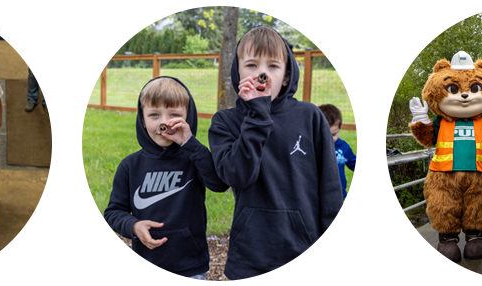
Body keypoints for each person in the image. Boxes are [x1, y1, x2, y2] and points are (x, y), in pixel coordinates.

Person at [209, 26, 343, 280]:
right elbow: (237, 176)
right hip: (250, 253)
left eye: (272, 66)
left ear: (286, 75)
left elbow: (330, 190)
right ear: (238, 72)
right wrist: (258, 115)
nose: (261, 74)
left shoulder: (310, 117)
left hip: (303, 245)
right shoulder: (225, 122)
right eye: (251, 65)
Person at [104, 76, 228, 279]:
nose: (164, 123)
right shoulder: (130, 166)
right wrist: (134, 226)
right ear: (142, 120)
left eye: (174, 114)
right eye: (154, 115)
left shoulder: (194, 158)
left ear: (187, 118)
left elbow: (219, 183)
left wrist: (191, 144)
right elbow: (114, 212)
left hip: (190, 265)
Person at [318, 104, 357, 199]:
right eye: (324, 134)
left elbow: (354, 163)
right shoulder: (312, 146)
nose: (329, 139)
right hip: (316, 196)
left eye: (334, 134)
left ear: (339, 129)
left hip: (338, 195)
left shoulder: (343, 147)